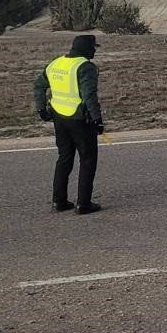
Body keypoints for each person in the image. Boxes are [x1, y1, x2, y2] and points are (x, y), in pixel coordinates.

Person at [33, 34, 104, 214]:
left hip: (59, 118)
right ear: (86, 48)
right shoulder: (85, 67)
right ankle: (83, 204)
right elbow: (89, 95)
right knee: (88, 160)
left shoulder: (55, 64)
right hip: (80, 120)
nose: (95, 50)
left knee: (64, 158)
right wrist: (98, 120)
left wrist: (41, 109)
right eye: (93, 47)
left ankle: (59, 201)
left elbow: (38, 85)